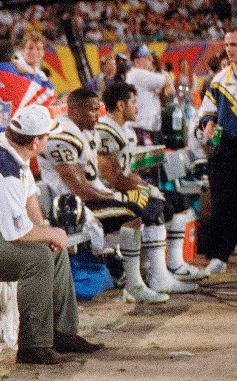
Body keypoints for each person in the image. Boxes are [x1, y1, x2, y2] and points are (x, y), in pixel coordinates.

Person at [0, 105, 102, 365]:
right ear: (36, 142)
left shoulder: (8, 148)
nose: (49, 139)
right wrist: (51, 233)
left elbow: (30, 198)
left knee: (53, 253)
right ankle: (34, 347)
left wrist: (48, 235)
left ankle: (62, 334)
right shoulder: (4, 172)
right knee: (37, 260)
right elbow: (18, 233)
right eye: (47, 136)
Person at [38, 87, 193, 304]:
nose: (98, 115)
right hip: (74, 207)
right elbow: (79, 189)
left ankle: (156, 275)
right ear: (75, 110)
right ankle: (135, 283)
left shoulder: (86, 130)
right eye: (92, 110)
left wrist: (118, 194)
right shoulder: (62, 135)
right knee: (134, 213)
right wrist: (116, 197)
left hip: (91, 197)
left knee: (152, 205)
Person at [96, 82, 209, 283]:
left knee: (179, 202)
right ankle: (153, 276)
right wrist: (144, 188)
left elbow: (126, 172)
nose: (137, 106)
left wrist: (145, 182)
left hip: (124, 189)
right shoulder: (105, 131)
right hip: (108, 193)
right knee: (155, 208)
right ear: (121, 105)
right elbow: (113, 178)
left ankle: (174, 265)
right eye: (133, 101)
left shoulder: (125, 130)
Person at [197, 28, 237, 275]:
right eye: (228, 45)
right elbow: (206, 110)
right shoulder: (219, 80)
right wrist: (208, 123)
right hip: (228, 148)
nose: (231, 50)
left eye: (235, 45)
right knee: (222, 202)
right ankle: (220, 256)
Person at [126, 44, 175, 145]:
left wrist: (164, 90)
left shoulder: (142, 76)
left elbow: (169, 90)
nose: (151, 60)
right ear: (137, 61)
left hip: (148, 129)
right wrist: (165, 89)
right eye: (147, 58)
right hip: (142, 129)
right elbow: (167, 80)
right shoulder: (137, 74)